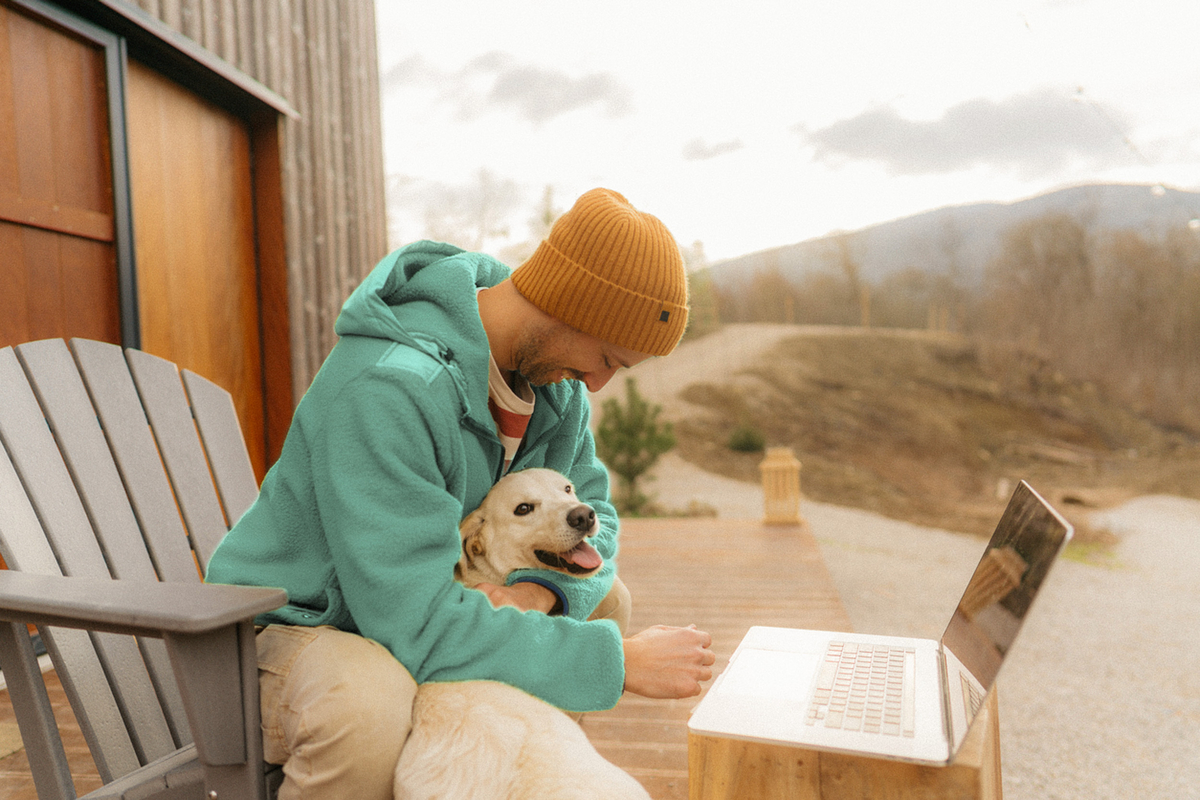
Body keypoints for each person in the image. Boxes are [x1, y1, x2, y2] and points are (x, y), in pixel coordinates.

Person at [206, 188, 715, 799]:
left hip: (404, 610)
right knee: (367, 706)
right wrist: (619, 665)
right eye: (604, 357)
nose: (600, 384)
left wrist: (540, 591)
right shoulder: (389, 390)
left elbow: (596, 517)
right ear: (565, 304)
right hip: (294, 626)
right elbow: (415, 622)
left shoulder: (557, 391)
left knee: (606, 601)